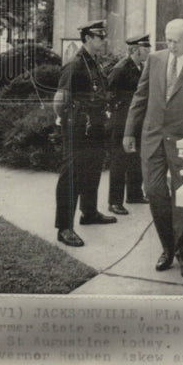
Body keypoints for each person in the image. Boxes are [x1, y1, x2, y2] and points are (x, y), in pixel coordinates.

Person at [123, 19, 183, 272]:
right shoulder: (155, 60)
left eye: (176, 40)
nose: (171, 45)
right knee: (154, 190)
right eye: (168, 40)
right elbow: (140, 96)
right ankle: (167, 247)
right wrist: (129, 131)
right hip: (153, 138)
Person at [54, 20, 115, 247]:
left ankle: (89, 213)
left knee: (93, 168)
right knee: (71, 175)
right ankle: (64, 228)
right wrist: (66, 121)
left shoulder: (93, 62)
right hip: (78, 127)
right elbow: (60, 100)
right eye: (100, 37)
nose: (104, 40)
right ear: (88, 38)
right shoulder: (76, 64)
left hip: (94, 125)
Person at [106, 33, 151, 214]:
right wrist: (115, 111)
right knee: (119, 161)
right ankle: (114, 202)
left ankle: (134, 194)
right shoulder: (121, 69)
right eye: (145, 48)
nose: (148, 51)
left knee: (135, 158)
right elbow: (108, 93)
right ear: (135, 50)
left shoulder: (140, 67)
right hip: (121, 121)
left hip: (135, 120)